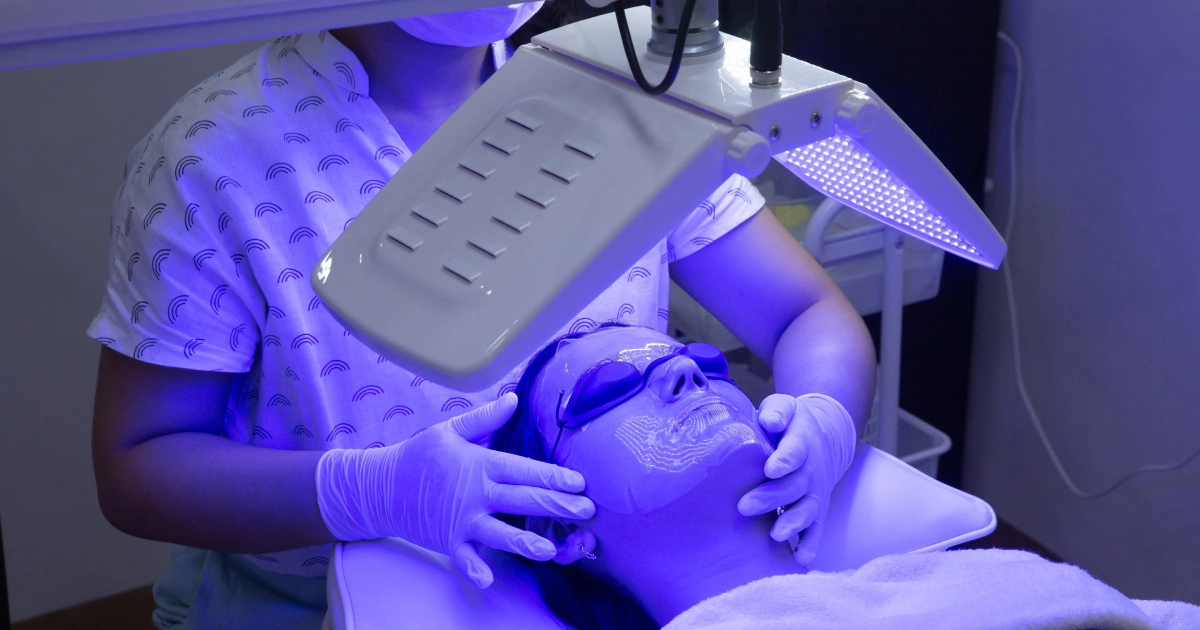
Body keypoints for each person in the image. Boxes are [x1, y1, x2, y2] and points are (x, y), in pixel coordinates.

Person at [88, 3, 876, 628]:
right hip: (312, 604)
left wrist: (826, 416)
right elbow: (138, 468)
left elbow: (804, 312)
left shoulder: (630, 100)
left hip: (595, 592)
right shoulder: (216, 161)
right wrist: (369, 493)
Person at [489, 324, 1200, 630]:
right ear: (559, 523)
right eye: (613, 385)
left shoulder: (979, 576)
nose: (686, 373)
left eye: (701, 359)